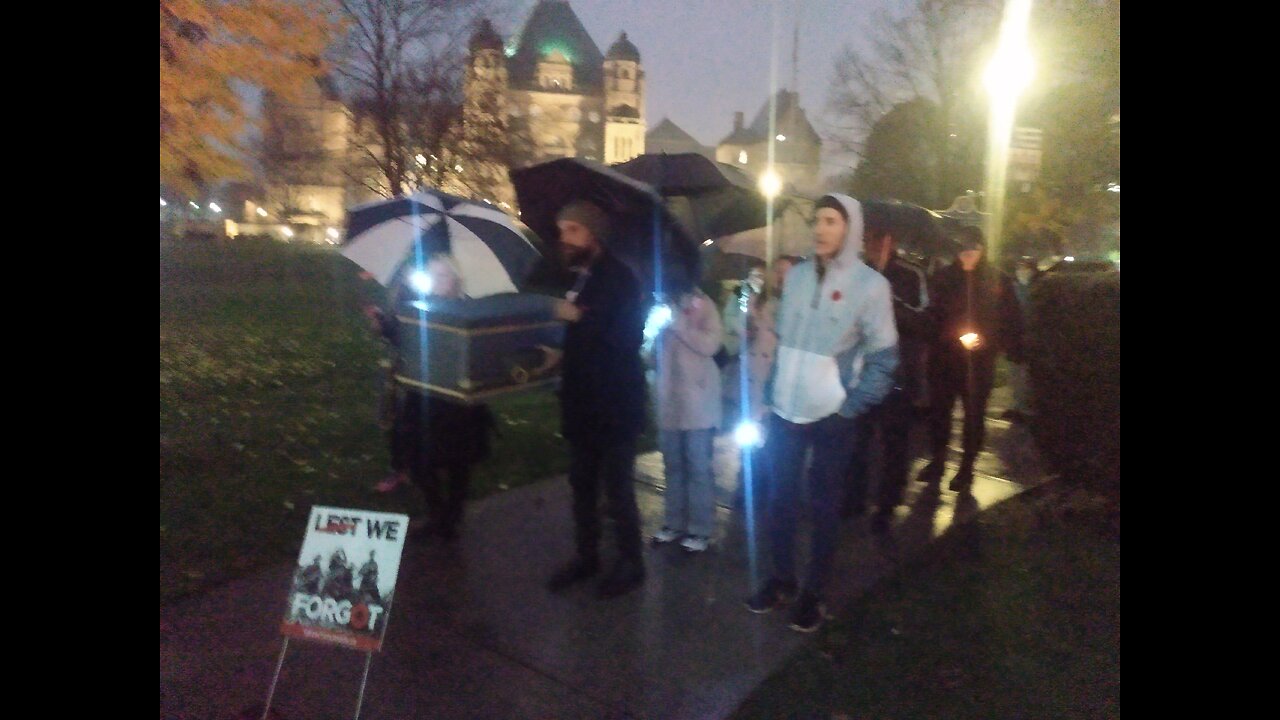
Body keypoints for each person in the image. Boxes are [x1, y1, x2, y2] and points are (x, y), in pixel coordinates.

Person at [746, 194, 899, 633]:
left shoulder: (871, 286)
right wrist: (772, 393)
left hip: (831, 416)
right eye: (817, 221)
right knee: (779, 499)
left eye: (831, 221)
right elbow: (783, 344)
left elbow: (884, 358)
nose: (821, 229)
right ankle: (782, 580)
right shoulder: (794, 277)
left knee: (824, 504)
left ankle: (814, 592)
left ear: (849, 228)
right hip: (785, 411)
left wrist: (849, 406)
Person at [545, 200, 649, 600]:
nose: (564, 238)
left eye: (573, 230)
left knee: (617, 487)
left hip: (615, 402)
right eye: (562, 230)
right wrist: (559, 354)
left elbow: (627, 339)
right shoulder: (581, 276)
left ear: (594, 234)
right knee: (582, 483)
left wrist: (579, 319)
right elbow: (585, 341)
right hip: (582, 400)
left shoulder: (621, 279)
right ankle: (587, 555)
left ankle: (630, 561)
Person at [843, 207, 932, 535]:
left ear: (890, 242)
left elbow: (926, 322)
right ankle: (853, 499)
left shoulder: (911, 276)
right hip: (863, 374)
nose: (871, 246)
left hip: (896, 374)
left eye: (877, 239)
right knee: (858, 440)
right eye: (866, 240)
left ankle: (887, 504)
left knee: (894, 443)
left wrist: (890, 302)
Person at [917, 226, 1024, 492]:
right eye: (962, 248)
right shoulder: (943, 278)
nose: (966, 254)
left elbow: (1009, 320)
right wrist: (950, 335)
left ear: (982, 248)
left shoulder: (998, 280)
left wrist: (987, 340)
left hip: (979, 362)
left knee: (973, 416)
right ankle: (938, 460)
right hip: (944, 358)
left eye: (972, 248)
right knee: (939, 413)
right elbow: (933, 316)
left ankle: (967, 466)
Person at [651, 275, 723, 554]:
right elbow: (652, 350)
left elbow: (711, 344)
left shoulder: (702, 303)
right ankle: (673, 522)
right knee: (673, 465)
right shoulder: (661, 305)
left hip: (698, 402)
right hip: (670, 400)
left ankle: (700, 529)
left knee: (698, 467)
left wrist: (679, 324)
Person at [1003, 257, 1040, 423]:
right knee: (1015, 374)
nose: (1022, 271)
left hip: (1030, 337)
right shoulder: (1013, 288)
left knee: (1027, 374)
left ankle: (1028, 408)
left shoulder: (1038, 288)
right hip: (1014, 337)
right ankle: (1018, 406)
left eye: (1025, 268)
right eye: (1020, 267)